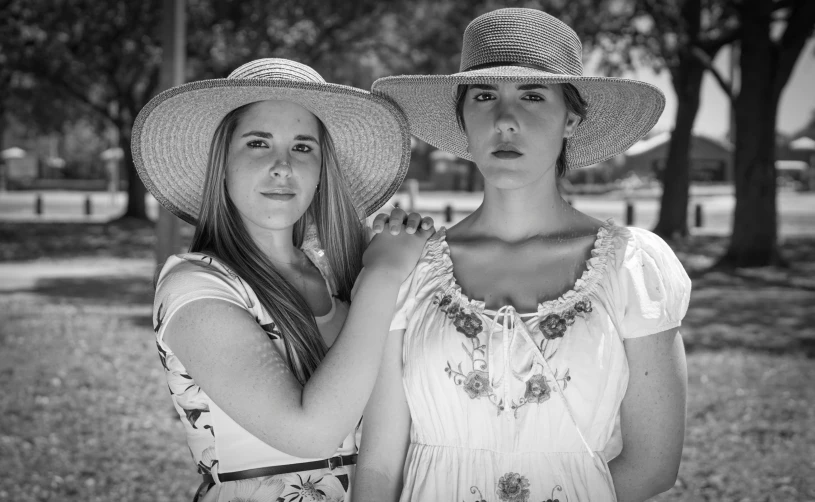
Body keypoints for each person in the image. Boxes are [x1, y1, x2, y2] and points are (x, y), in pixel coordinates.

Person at [354, 8, 691, 502]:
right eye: (484, 97)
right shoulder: (410, 264)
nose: (505, 120)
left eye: (533, 96)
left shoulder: (631, 266)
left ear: (571, 118)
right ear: (462, 118)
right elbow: (381, 466)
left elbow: (653, 466)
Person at [132, 58, 434, 502]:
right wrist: (384, 275)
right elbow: (309, 433)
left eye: (303, 148)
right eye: (258, 143)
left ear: (320, 171)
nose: (283, 166)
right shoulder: (194, 284)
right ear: (223, 164)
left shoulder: (339, 276)